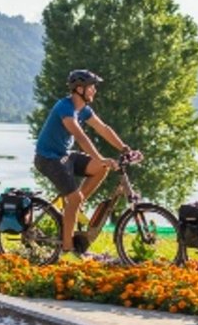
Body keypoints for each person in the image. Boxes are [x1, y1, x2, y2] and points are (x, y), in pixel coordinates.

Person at [33, 68, 134, 255]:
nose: (94, 90)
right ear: (79, 89)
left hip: (64, 155)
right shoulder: (65, 107)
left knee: (100, 169)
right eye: (91, 87)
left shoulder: (84, 109)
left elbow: (103, 128)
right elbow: (80, 136)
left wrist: (125, 148)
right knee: (76, 196)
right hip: (47, 158)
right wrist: (101, 158)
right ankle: (67, 249)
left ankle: (73, 207)